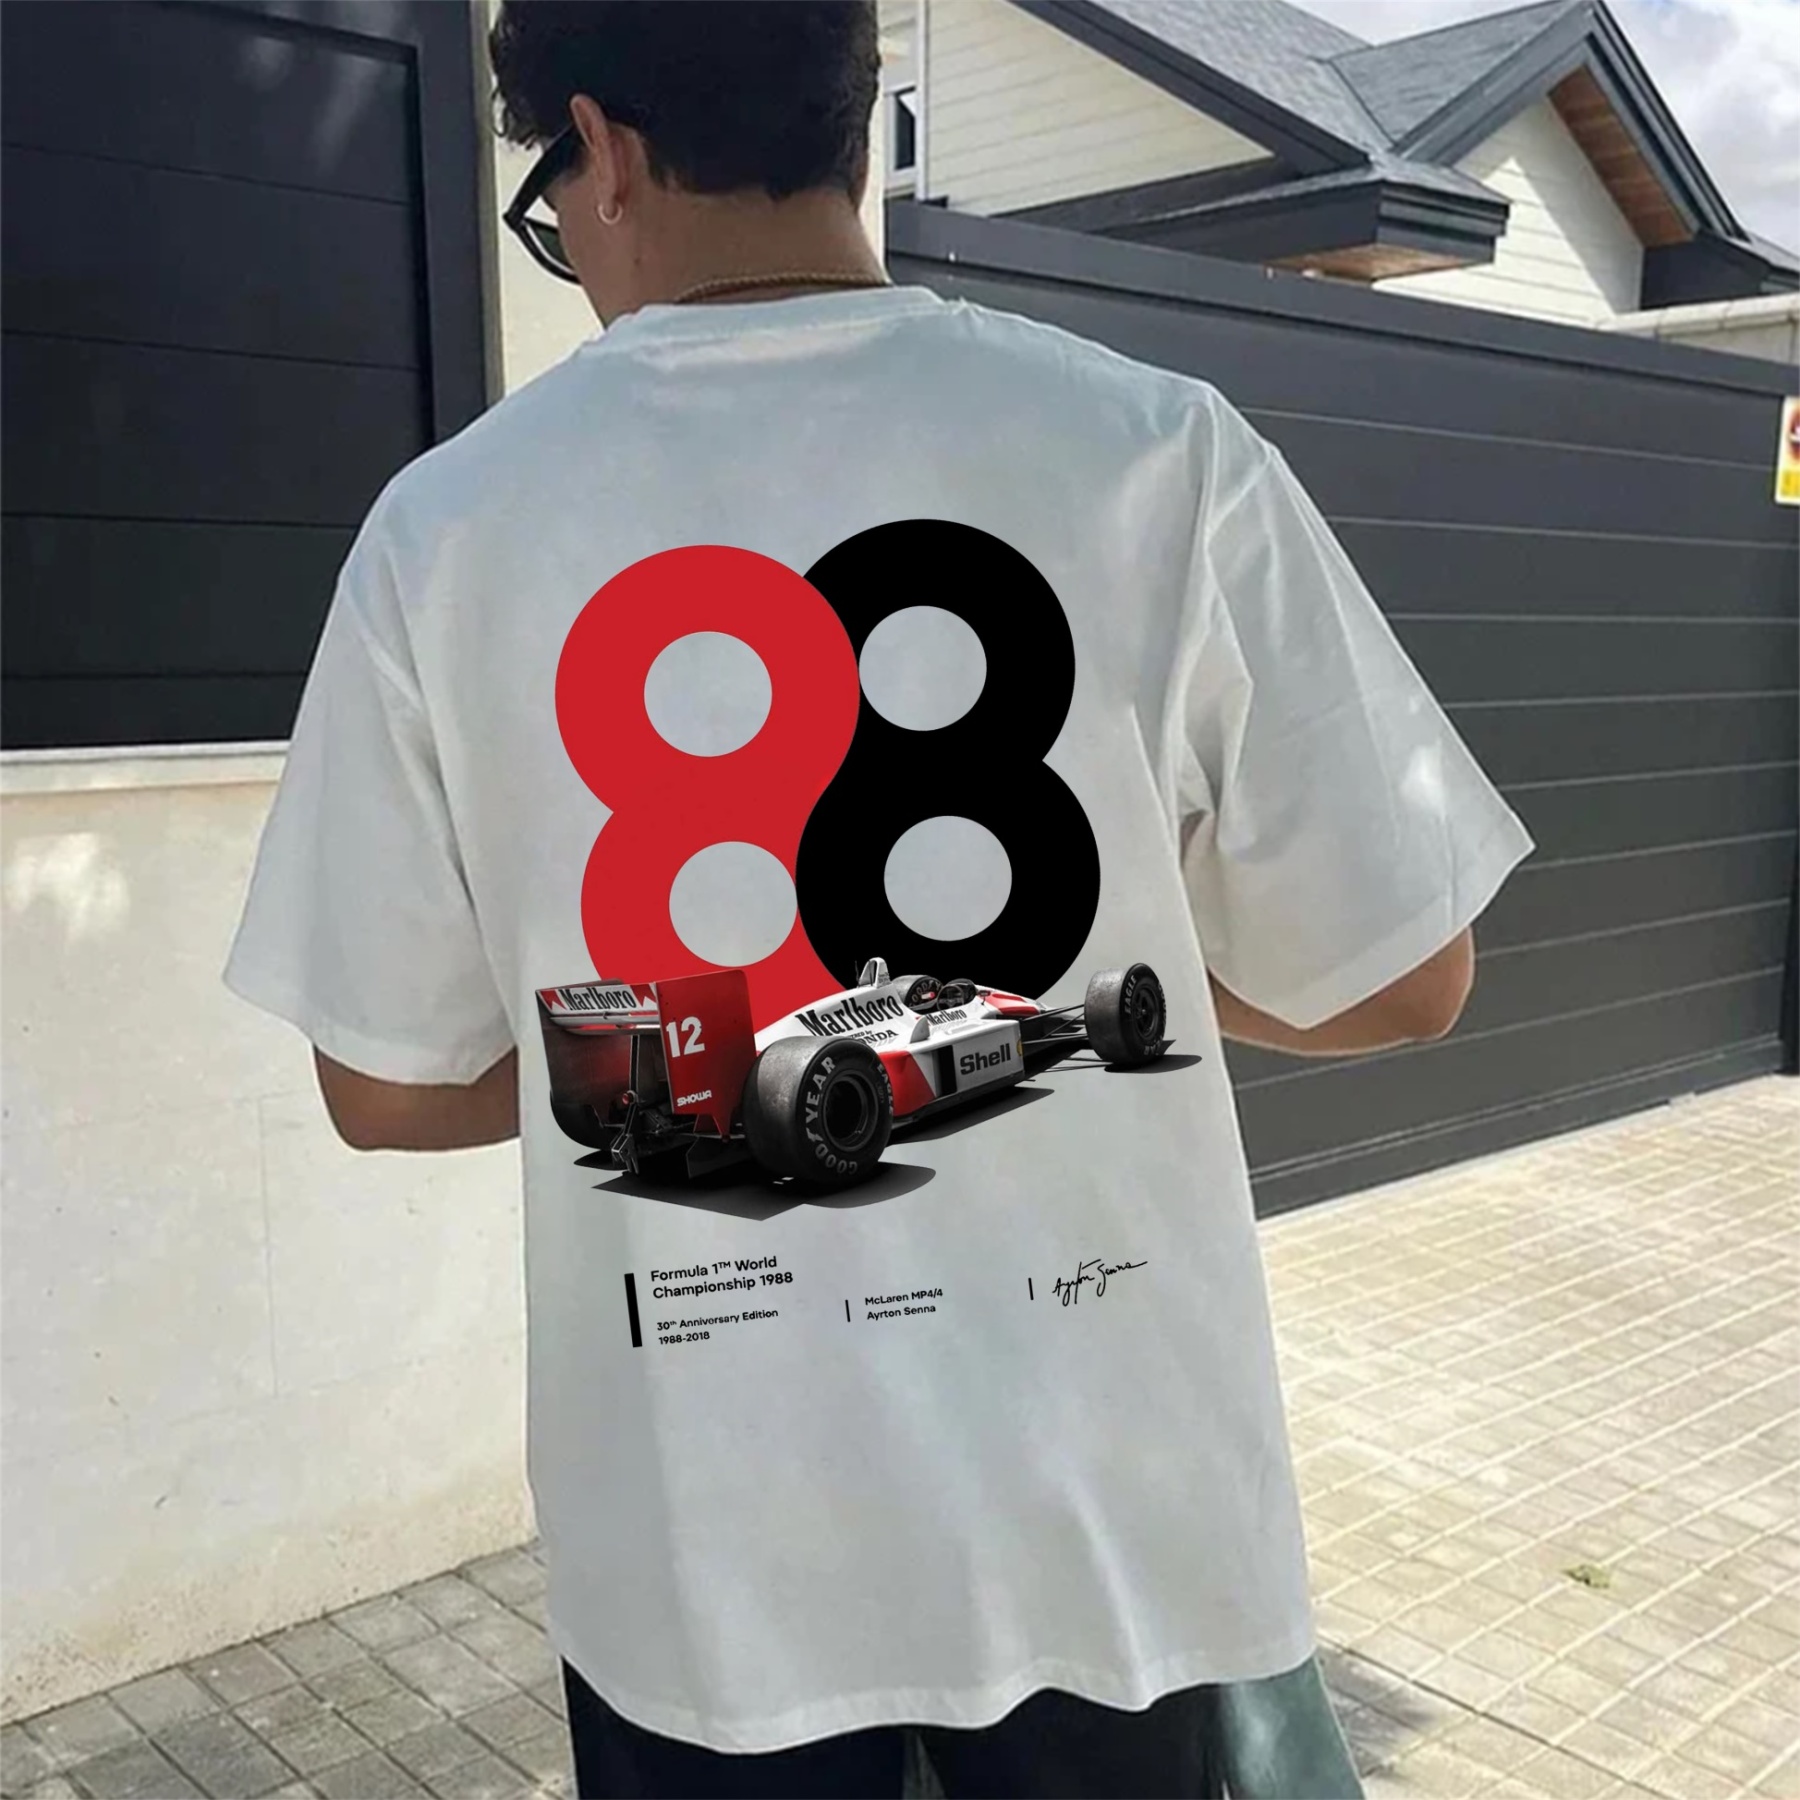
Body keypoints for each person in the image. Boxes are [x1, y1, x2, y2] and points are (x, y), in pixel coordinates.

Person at [224, 3, 1534, 1794]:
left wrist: (684, 1067)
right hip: (1116, 1536)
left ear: (604, 148)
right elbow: (1407, 979)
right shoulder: (1159, 450)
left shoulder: (443, 534)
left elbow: (383, 1084)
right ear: (864, 113)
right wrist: (1108, 972)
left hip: (708, 1571)